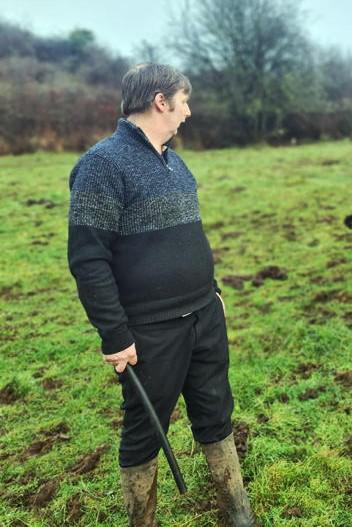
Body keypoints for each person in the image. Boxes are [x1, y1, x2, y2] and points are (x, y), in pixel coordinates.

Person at [67, 63, 257, 527]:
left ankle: (238, 513)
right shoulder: (102, 165)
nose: (187, 112)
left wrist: (212, 294)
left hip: (204, 316)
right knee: (144, 429)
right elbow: (88, 260)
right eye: (184, 101)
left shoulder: (176, 162)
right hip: (150, 329)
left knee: (216, 411)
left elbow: (189, 239)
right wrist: (115, 335)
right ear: (160, 101)